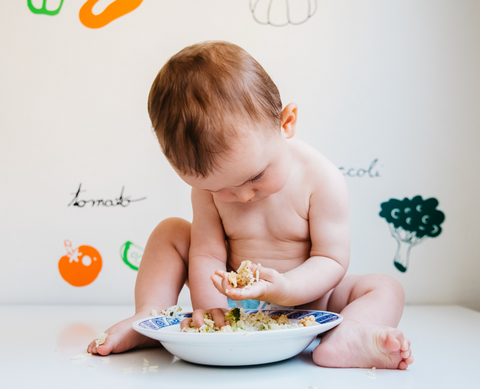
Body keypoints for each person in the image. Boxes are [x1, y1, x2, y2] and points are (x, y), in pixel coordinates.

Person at [87, 41, 413, 369]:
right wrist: (216, 310)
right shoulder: (208, 191)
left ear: (286, 123)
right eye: (218, 188)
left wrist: (287, 288)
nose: (242, 197)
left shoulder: (321, 179)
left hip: (309, 297)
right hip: (232, 298)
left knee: (385, 288)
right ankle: (151, 316)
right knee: (170, 232)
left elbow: (330, 259)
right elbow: (207, 254)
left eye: (256, 176)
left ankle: (348, 336)